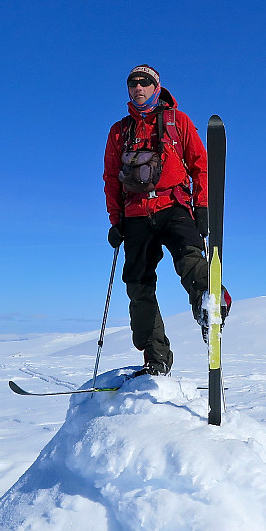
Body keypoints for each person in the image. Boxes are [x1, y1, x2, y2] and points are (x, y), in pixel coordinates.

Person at [103, 65, 210, 376]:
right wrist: (116, 219)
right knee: (138, 285)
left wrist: (201, 206)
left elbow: (200, 164)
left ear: (157, 86)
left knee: (189, 257)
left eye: (145, 82)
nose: (139, 87)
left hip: (174, 205)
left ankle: (208, 301)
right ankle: (156, 356)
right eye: (133, 83)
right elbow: (111, 178)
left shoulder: (178, 121)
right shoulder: (119, 131)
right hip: (136, 214)